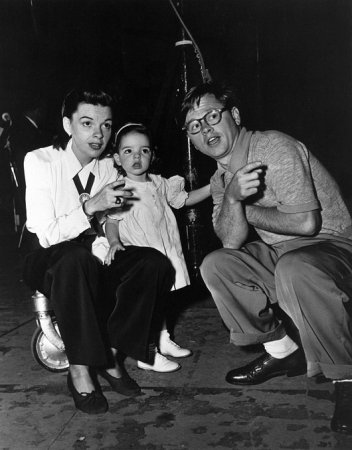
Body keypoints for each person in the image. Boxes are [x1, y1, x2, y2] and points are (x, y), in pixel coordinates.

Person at [181, 81, 352, 434]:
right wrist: (230, 199)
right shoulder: (219, 179)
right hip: (284, 252)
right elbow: (230, 241)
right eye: (195, 126)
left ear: (235, 115)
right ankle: (283, 349)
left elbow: (307, 223)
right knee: (216, 265)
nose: (206, 129)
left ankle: (346, 378)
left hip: (335, 246)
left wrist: (243, 209)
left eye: (212, 115)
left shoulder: (273, 147)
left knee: (295, 267)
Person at [23, 87, 175, 415]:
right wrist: (93, 206)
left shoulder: (106, 166)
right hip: (47, 258)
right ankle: (79, 368)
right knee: (73, 259)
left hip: (91, 255)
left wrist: (113, 236)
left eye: (106, 126)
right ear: (67, 125)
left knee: (153, 263)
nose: (99, 134)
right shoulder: (39, 161)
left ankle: (111, 354)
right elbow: (47, 234)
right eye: (88, 123)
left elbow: (110, 219)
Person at [94, 122, 211, 373]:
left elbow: (184, 199)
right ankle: (146, 354)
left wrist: (213, 187)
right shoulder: (121, 189)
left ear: (152, 155)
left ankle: (163, 339)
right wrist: (114, 241)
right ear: (116, 157)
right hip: (143, 259)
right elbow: (111, 221)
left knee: (163, 299)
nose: (137, 157)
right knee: (148, 305)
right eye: (128, 151)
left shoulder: (159, 183)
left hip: (165, 250)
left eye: (144, 150)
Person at [9, 97, 52, 228]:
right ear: (37, 111)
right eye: (42, 111)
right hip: (29, 179)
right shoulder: (28, 131)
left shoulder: (21, 127)